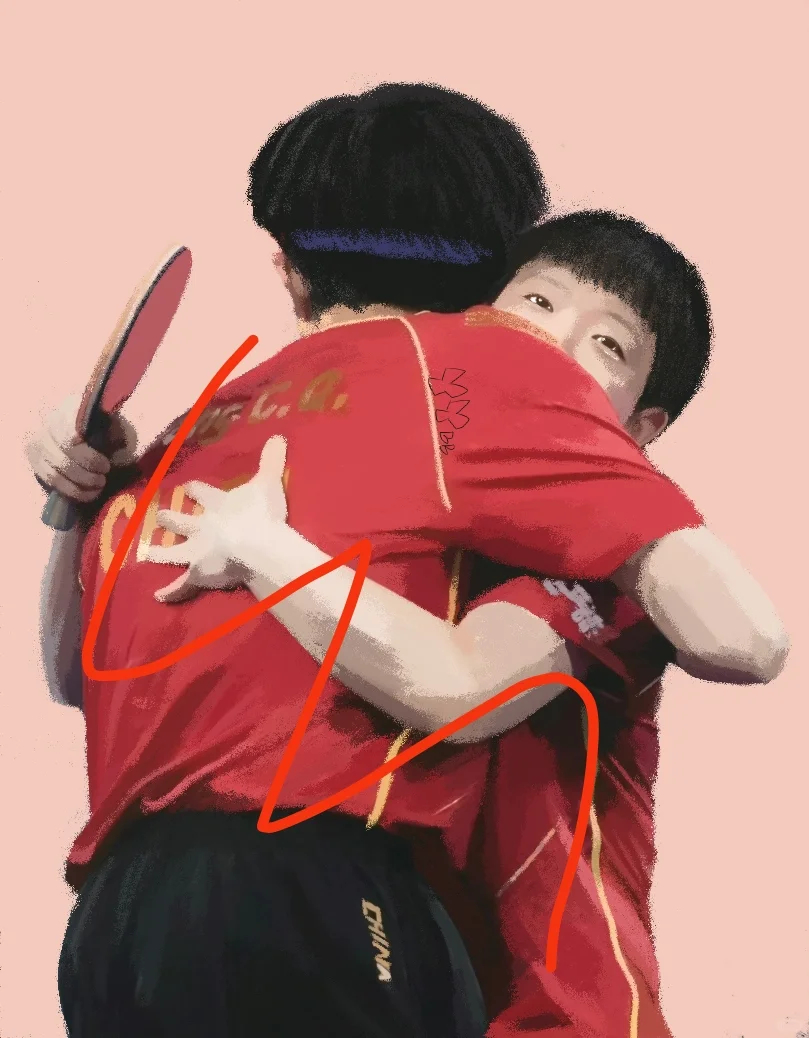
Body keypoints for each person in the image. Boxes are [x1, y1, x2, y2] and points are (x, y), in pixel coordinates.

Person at [28, 83, 787, 1035]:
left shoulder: (194, 430)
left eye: (602, 343)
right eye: (534, 302)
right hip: (313, 890)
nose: (549, 343)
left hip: (113, 927)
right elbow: (737, 640)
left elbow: (71, 674)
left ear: (286, 268)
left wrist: (80, 505)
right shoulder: (476, 381)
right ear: (486, 283)